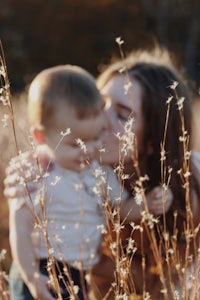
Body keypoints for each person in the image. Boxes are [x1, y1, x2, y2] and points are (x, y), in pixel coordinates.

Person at [4, 47, 196, 299]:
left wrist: (146, 207)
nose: (100, 119)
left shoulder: (188, 190)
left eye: (122, 114)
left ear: (152, 142)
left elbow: (166, 286)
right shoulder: (45, 170)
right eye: (99, 102)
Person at [8, 64, 133, 300]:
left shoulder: (98, 173)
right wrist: (31, 276)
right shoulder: (36, 174)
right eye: (76, 144)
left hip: (78, 274)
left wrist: (149, 204)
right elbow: (21, 229)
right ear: (41, 137)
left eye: (95, 138)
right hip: (38, 269)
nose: (89, 149)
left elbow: (122, 208)